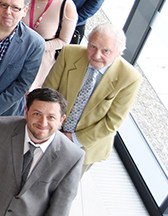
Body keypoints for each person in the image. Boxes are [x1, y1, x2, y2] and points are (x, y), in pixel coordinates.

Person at [0, 88, 85, 216]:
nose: (43, 123)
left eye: (51, 117)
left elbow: (61, 204)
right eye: (37, 114)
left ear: (61, 120)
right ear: (26, 112)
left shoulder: (73, 157)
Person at [44, 23, 142, 172]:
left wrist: (72, 138)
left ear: (119, 53)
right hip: (51, 128)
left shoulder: (130, 78)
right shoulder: (70, 53)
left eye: (106, 51)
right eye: (93, 47)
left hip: (86, 144)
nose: (96, 55)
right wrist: (52, 126)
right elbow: (49, 92)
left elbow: (111, 123)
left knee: (62, 190)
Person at [27, 0, 77, 89]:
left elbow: (64, 41)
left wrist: (38, 47)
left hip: (43, 58)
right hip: (15, 50)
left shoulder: (66, 5)